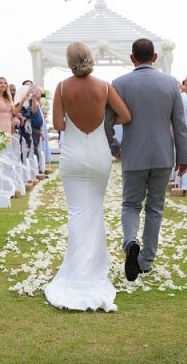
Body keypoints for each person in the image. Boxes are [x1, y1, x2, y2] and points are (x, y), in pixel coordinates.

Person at [45, 42, 131, 312]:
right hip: (98, 154)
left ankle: (77, 270)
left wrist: (72, 119)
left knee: (76, 212)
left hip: (72, 155)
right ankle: (91, 269)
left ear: (69, 61)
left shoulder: (61, 87)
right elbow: (126, 116)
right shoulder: (104, 86)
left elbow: (58, 124)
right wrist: (104, 123)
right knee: (94, 210)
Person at [105, 38, 187, 281]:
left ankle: (131, 242)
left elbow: (106, 121)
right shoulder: (171, 83)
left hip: (133, 153)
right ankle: (146, 261)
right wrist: (182, 156)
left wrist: (114, 146)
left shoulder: (119, 84)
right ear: (154, 58)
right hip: (163, 154)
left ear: (132, 58)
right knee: (155, 208)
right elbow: (179, 124)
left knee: (131, 205)